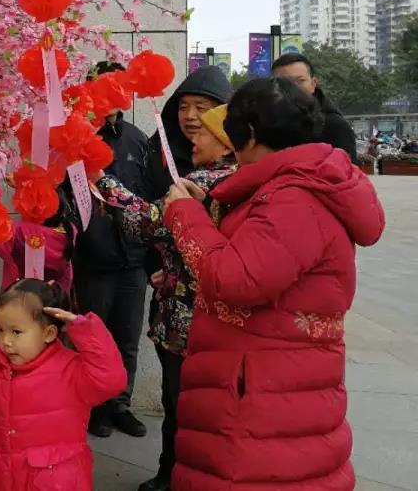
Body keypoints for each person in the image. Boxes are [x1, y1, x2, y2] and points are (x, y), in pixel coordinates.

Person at [162, 77, 384, 491]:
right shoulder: (291, 186)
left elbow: (236, 278)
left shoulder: (292, 199)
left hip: (260, 394)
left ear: (248, 136)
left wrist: (186, 216)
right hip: (267, 381)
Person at [97, 105, 237, 491]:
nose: (194, 136)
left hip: (188, 321)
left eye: (205, 131)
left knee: (180, 403)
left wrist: (99, 179)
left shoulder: (204, 184)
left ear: (227, 145)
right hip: (210, 321)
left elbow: (146, 221)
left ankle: (173, 475)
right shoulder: (241, 184)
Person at [0, 279, 126, 491]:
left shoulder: (71, 370)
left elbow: (111, 380)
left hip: (49, 482)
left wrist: (85, 331)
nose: (5, 341)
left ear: (49, 333)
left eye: (16, 332)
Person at [72, 61, 152, 439]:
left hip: (134, 260)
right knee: (93, 339)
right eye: (100, 86)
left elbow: (148, 197)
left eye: (117, 86)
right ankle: (96, 407)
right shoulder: (77, 136)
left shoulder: (138, 140)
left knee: (127, 339)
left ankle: (121, 405)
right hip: (94, 258)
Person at [141, 65, 234, 202]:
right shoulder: (158, 154)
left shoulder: (240, 167)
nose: (190, 116)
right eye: (183, 107)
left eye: (200, 108)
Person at [271, 52, 358, 163]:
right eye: (285, 83)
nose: (293, 88)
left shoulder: (333, 125)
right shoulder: (266, 123)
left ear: (313, 84)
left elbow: (349, 170)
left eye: (300, 81)